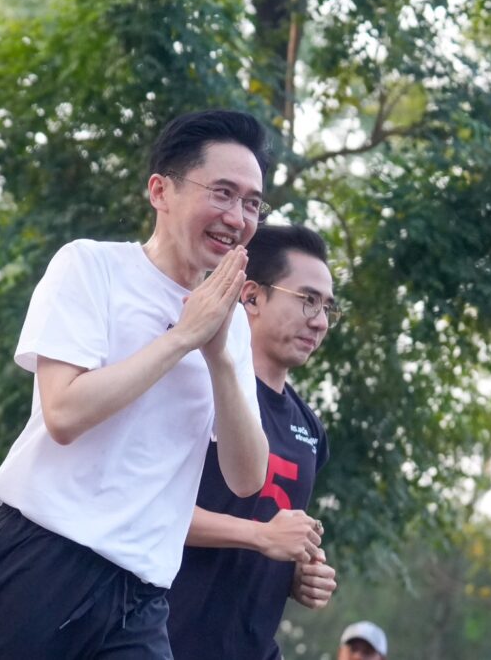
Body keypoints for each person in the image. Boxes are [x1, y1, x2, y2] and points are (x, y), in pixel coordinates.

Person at [0, 109, 272, 659]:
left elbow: (247, 477)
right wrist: (181, 338)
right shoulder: (91, 267)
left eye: (252, 203)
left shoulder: (230, 322)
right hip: (43, 559)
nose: (237, 217)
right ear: (161, 191)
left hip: (142, 595)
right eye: (222, 193)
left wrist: (218, 358)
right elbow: (64, 414)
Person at [166, 224, 341, 659]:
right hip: (164, 641)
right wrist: (261, 536)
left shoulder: (309, 428)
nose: (319, 321)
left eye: (327, 307)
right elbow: (145, 507)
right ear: (251, 296)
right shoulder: (194, 386)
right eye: (307, 300)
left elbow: (273, 535)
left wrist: (296, 576)